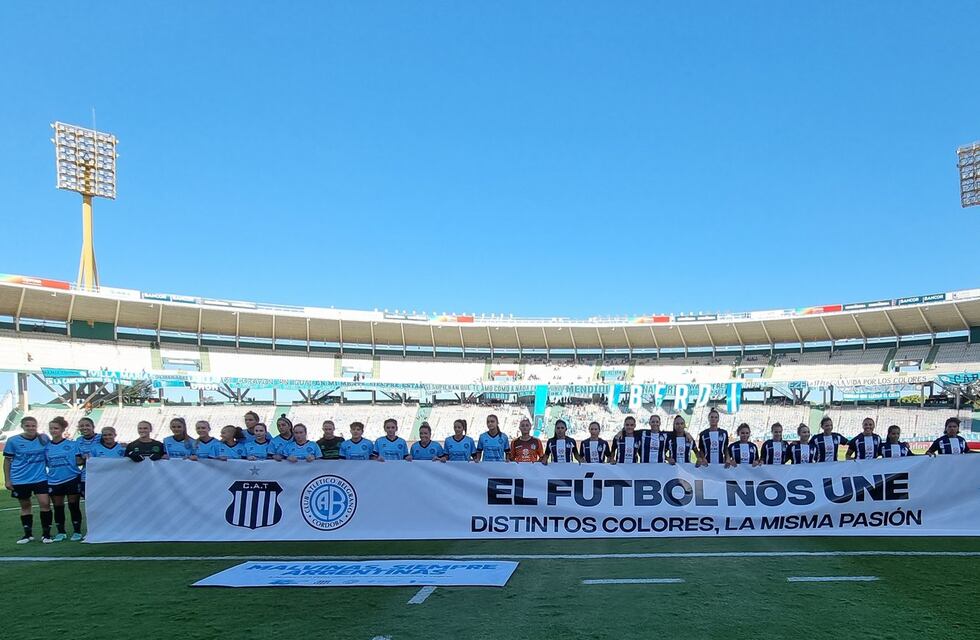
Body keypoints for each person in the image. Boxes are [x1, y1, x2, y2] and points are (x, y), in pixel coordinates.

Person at [3, 416, 53, 544]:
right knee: (25, 506)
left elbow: (50, 454)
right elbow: (7, 461)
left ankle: (46, 535)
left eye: (33, 426)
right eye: (27, 426)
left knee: (45, 504)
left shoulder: (44, 438)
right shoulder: (13, 441)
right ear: (22, 426)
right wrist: (8, 480)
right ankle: (28, 535)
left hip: (40, 477)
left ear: (37, 426)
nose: (31, 428)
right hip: (20, 479)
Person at [44, 417, 83, 542]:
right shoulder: (46, 447)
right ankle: (61, 532)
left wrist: (87, 458)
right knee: (58, 506)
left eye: (56, 428)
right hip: (54, 480)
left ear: (62, 429)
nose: (53, 431)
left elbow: (79, 460)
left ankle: (77, 531)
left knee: (73, 505)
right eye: (51, 428)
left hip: (72, 478)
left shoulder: (72, 445)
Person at [74, 416, 100, 496]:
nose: (84, 428)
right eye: (81, 426)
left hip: (101, 474)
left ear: (93, 427)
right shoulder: (78, 440)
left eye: (87, 425)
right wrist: (85, 459)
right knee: (88, 500)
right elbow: (78, 462)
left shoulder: (102, 437)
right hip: (86, 475)